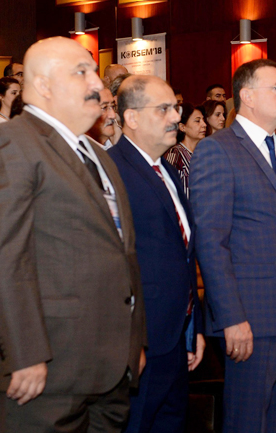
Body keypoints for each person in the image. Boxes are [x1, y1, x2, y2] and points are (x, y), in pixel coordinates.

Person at [0, 37, 146, 433]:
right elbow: (1, 257)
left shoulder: (98, 155)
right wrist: (25, 353)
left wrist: (134, 344)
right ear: (43, 85)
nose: (96, 83)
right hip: (44, 370)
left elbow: (123, 255)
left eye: (95, 72)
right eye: (81, 72)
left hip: (108, 369)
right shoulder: (8, 141)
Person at [189, 59, 276, 433]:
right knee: (248, 423)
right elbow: (212, 241)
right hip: (250, 320)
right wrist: (231, 317)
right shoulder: (219, 149)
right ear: (247, 96)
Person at [108, 75, 205, 433]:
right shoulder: (112, 170)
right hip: (142, 342)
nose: (175, 117)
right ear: (131, 117)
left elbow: (183, 256)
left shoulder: (166, 170)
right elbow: (113, 265)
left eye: (175, 108)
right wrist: (129, 342)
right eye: (163, 109)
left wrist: (193, 328)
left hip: (175, 337)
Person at [164, 103, 206, 197]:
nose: (204, 124)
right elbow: (171, 191)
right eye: (197, 121)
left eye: (203, 120)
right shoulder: (175, 154)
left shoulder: (203, 152)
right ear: (182, 127)